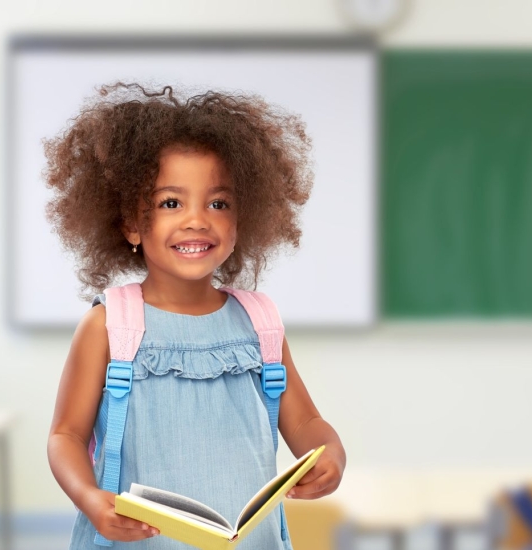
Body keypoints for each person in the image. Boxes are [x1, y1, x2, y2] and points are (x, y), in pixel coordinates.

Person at [45, 83, 346, 549]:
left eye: (218, 203)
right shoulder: (109, 326)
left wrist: (329, 454)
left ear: (242, 218)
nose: (196, 219)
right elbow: (66, 434)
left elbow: (306, 423)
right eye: (171, 202)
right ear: (130, 223)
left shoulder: (260, 324)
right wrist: (89, 496)